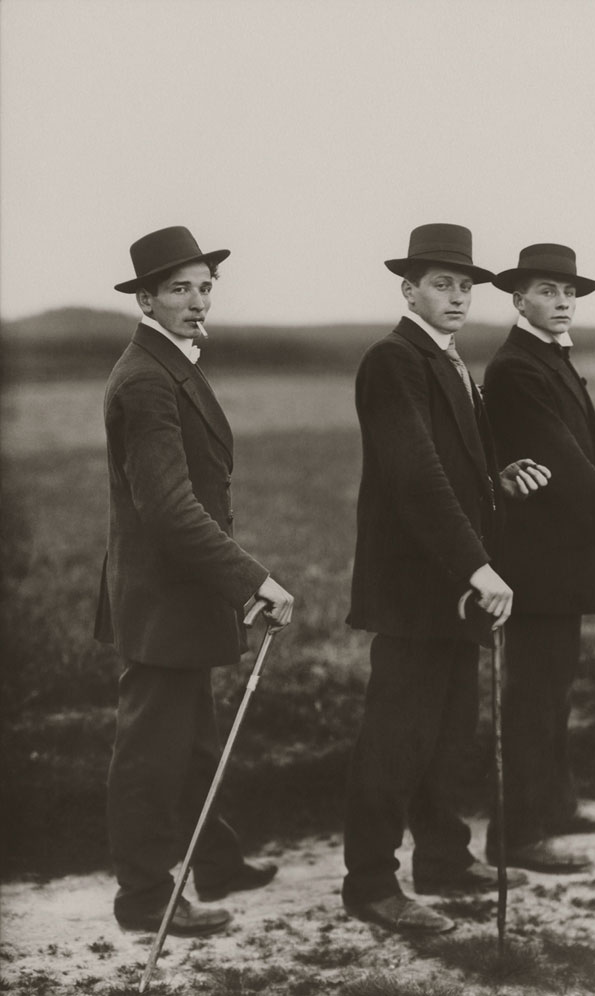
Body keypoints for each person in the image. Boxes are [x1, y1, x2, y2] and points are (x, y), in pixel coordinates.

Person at [342, 223, 550, 934]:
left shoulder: (449, 360)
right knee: (396, 737)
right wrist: (476, 564)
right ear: (409, 289)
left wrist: (497, 477)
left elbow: (453, 465)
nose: (457, 295)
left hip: (453, 586)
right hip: (413, 588)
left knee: (450, 730)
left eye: (464, 285)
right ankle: (370, 882)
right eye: (441, 283)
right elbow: (416, 475)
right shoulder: (392, 360)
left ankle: (442, 857)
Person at [95, 226, 294, 935]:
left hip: (179, 594)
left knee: (196, 736)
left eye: (205, 286)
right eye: (180, 288)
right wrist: (252, 581)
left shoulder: (169, 361)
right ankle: (143, 899)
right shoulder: (147, 377)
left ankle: (214, 862)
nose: (197, 300)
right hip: (162, 597)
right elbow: (170, 507)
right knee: (151, 752)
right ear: (145, 297)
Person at [481, 243, 595, 873]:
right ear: (518, 299)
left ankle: (554, 805)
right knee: (533, 695)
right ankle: (516, 834)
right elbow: (566, 467)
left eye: (569, 293)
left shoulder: (546, 358)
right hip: (535, 561)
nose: (561, 302)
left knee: (553, 689)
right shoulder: (516, 369)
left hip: (560, 557)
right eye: (547, 291)